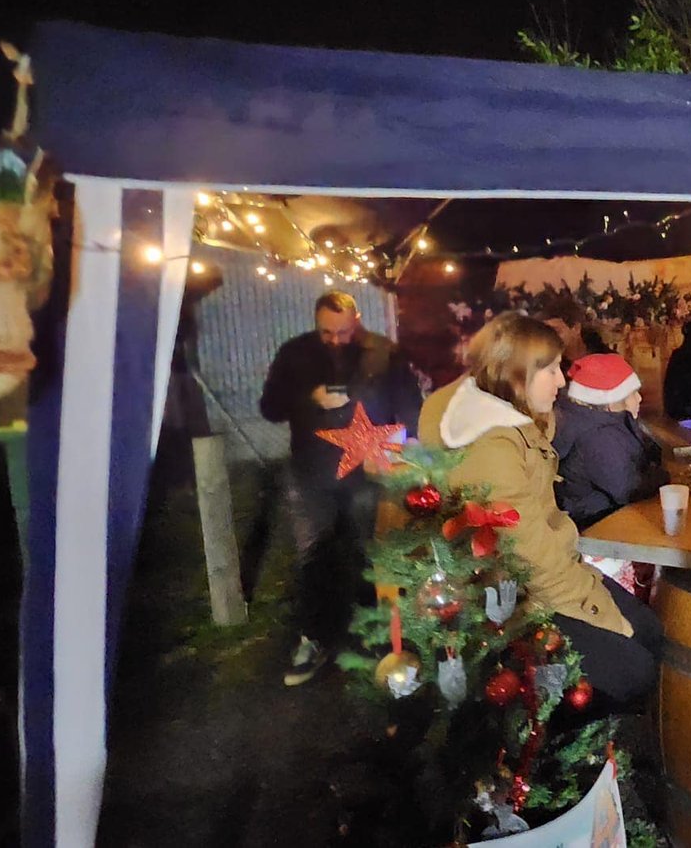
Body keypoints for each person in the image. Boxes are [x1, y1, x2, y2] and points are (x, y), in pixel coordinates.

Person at [417, 314, 663, 710]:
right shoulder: (492, 447)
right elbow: (527, 556)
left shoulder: (522, 423)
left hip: (542, 573)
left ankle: (592, 743)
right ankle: (554, 749)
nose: (563, 381)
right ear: (515, 374)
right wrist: (601, 614)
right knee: (634, 668)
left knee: (648, 631)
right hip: (508, 599)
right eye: (550, 370)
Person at [261, 291, 424, 686]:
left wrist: (400, 445)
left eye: (343, 331)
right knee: (314, 558)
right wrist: (307, 398)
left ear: (358, 319)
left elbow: (411, 412)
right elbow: (270, 408)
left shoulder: (384, 354)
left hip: (369, 474)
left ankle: (378, 636)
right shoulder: (296, 353)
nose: (334, 339)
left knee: (372, 555)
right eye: (326, 332)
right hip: (311, 473)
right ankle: (313, 637)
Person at [553, 353, 670, 528]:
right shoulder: (597, 436)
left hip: (607, 518)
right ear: (610, 401)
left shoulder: (604, 420)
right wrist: (665, 477)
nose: (639, 398)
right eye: (631, 394)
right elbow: (629, 488)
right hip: (599, 525)